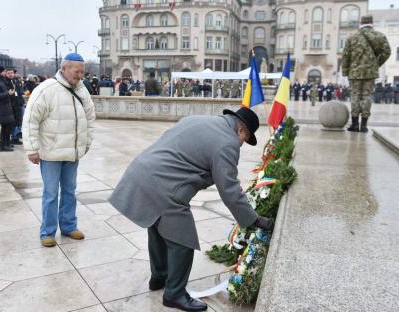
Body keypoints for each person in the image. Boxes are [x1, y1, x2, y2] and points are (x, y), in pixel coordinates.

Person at [109, 107, 273, 312]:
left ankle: (159, 277)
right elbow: (229, 190)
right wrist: (254, 219)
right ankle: (175, 295)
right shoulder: (228, 143)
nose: (242, 143)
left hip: (141, 171)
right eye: (245, 138)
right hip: (165, 186)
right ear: (241, 130)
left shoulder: (197, 119)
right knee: (182, 240)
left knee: (157, 225)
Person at [22, 53, 96, 247]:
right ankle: (47, 232)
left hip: (72, 153)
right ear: (64, 68)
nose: (80, 75)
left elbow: (90, 119)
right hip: (51, 153)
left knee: (70, 191)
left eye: (82, 71)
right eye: (77, 71)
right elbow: (30, 121)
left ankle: (69, 226)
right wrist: (32, 149)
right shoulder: (46, 89)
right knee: (51, 193)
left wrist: (86, 143)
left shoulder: (82, 91)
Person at [342, 14, 391, 132]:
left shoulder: (352, 37)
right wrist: (376, 64)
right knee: (367, 96)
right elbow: (387, 52)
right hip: (370, 72)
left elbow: (346, 55)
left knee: (355, 96)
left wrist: (345, 71)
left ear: (361, 22)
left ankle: (354, 124)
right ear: (372, 22)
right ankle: (364, 126)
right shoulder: (380, 36)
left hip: (355, 72)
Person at [6, 68, 25, 145]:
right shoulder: (5, 82)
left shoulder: (16, 81)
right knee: (13, 122)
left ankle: (16, 137)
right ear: (6, 74)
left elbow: (20, 92)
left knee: (19, 121)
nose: (10, 74)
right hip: (12, 105)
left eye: (12, 73)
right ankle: (13, 137)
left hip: (19, 104)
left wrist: (22, 102)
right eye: (9, 73)